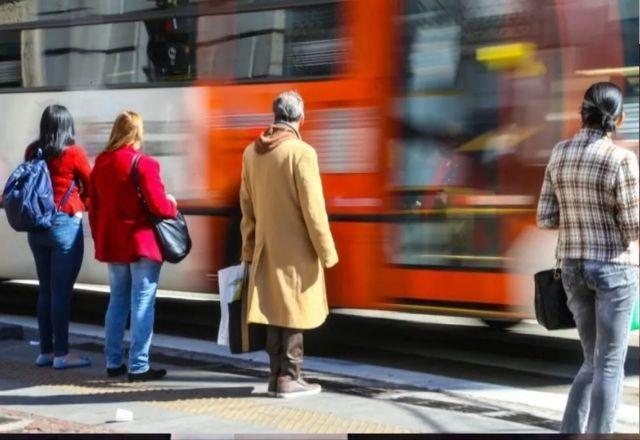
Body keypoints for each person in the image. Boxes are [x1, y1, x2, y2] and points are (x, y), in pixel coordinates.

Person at [537, 82, 639, 433]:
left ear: (582, 114)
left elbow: (545, 218)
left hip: (571, 271)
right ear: (619, 119)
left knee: (591, 361)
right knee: (610, 364)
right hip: (613, 270)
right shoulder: (622, 159)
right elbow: (633, 226)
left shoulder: (559, 153)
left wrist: (579, 217)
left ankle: (570, 431)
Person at [240, 91, 339, 398]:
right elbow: (314, 210)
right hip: (296, 249)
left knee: (273, 310)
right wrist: (327, 252)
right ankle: (291, 376)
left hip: (266, 247)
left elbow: (247, 206)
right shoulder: (302, 153)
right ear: (299, 118)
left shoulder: (251, 153)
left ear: (275, 116)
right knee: (294, 311)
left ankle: (274, 376)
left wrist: (248, 246)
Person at [89, 111, 177, 382]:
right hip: (141, 244)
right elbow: (159, 206)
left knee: (117, 302)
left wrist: (99, 236)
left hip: (114, 243)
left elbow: (94, 209)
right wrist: (172, 204)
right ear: (137, 134)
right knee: (142, 303)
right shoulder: (144, 164)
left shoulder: (101, 163)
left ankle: (114, 363)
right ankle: (139, 366)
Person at [25, 105, 92, 369]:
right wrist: (80, 206)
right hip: (64, 226)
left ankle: (46, 351)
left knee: (46, 290)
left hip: (37, 228)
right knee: (61, 292)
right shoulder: (73, 153)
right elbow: (92, 184)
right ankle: (63, 354)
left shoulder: (33, 151)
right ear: (67, 126)